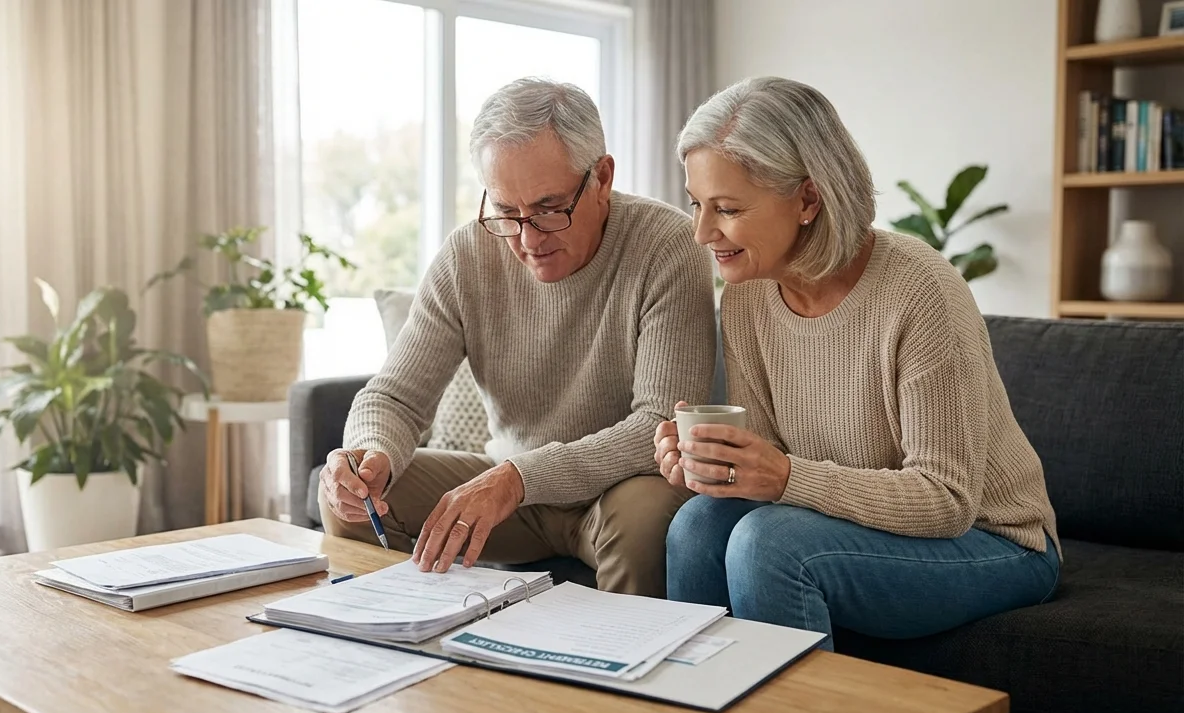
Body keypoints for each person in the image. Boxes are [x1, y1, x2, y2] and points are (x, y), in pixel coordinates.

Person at [654, 76, 1061, 650]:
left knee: (767, 544)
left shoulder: (920, 290)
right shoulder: (745, 297)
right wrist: (713, 468)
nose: (701, 232)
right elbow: (770, 467)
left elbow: (946, 500)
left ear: (808, 200)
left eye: (727, 209)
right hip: (861, 524)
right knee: (697, 526)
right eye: (697, 205)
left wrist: (786, 477)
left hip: (993, 539)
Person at [319, 77, 717, 598]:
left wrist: (519, 477)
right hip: (513, 494)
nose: (528, 240)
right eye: (507, 212)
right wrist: (370, 457)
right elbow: (394, 395)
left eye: (551, 209)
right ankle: (402, 647)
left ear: (602, 177)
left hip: (616, 492)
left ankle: (614, 672)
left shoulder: (667, 247)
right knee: (348, 500)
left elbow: (658, 425)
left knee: (645, 520)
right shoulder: (467, 255)